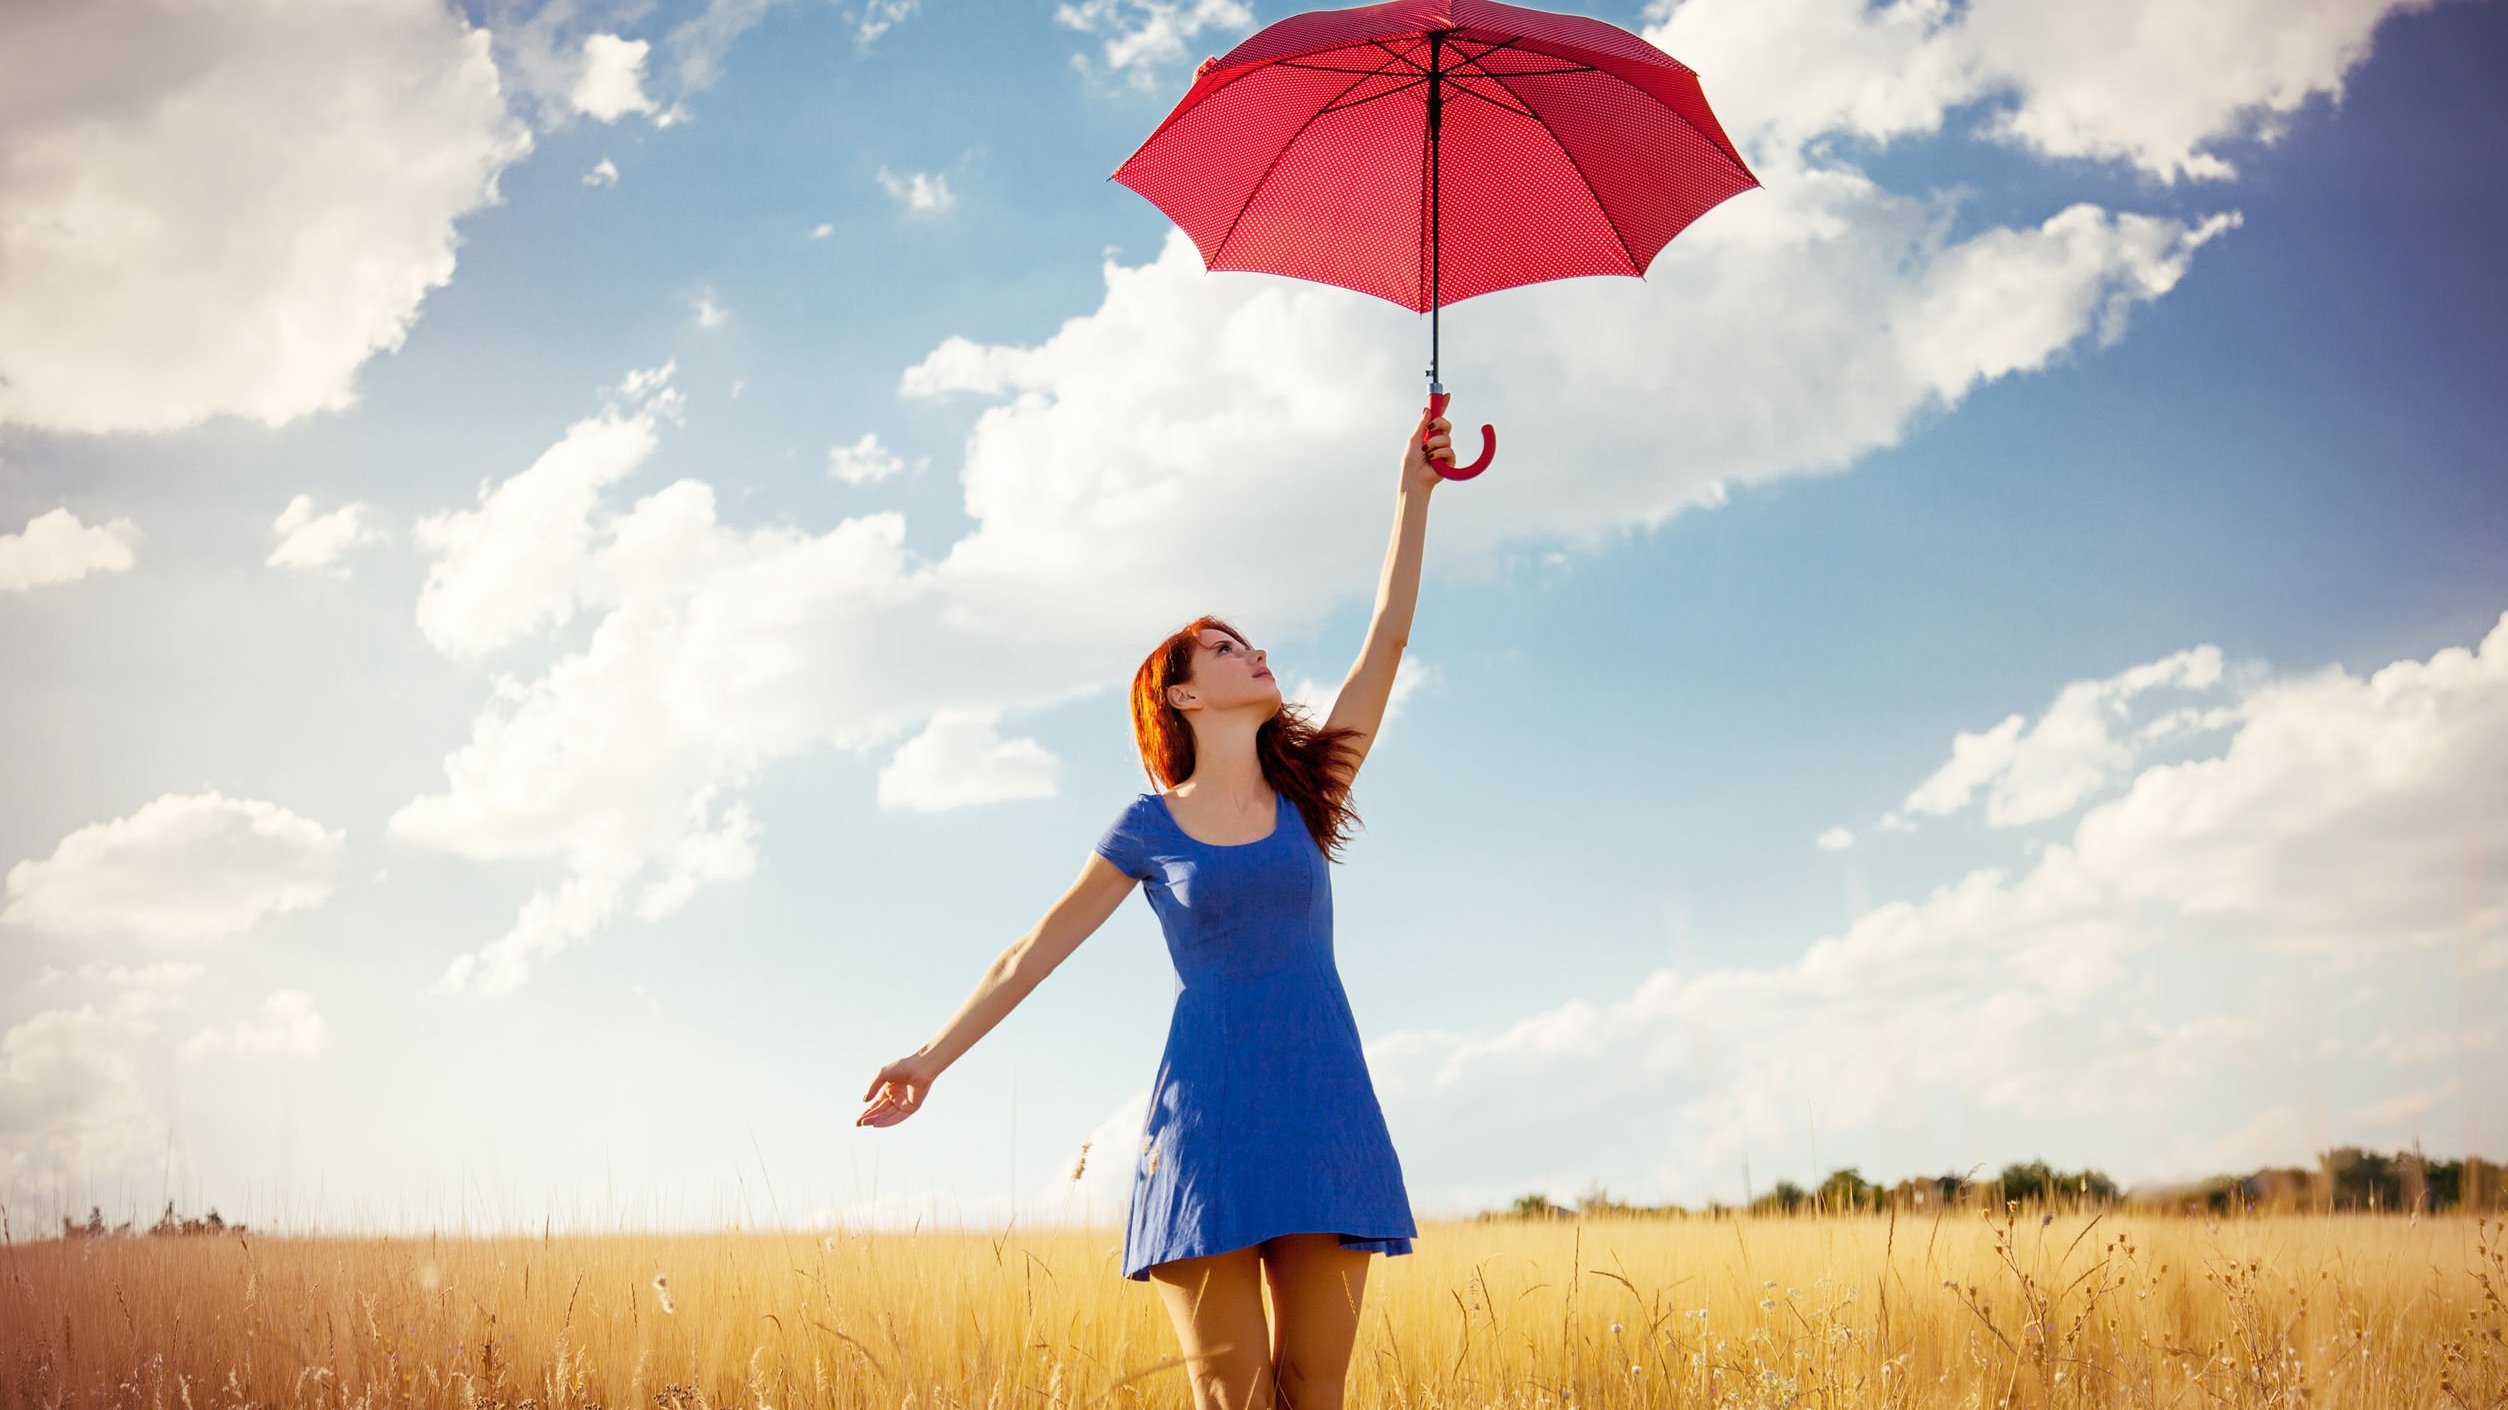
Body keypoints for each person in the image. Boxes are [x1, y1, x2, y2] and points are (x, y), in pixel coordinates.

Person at [858, 405, 1456, 1410]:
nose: (1253, 652)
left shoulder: (1309, 796)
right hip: (1206, 1123)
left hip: (1326, 1110)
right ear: (1180, 697)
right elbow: (1029, 954)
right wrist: (929, 1058)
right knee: (1237, 1402)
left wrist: (1415, 491)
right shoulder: (1150, 825)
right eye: (1222, 649)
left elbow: (1388, 640)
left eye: (1249, 641)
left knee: (1316, 1394)